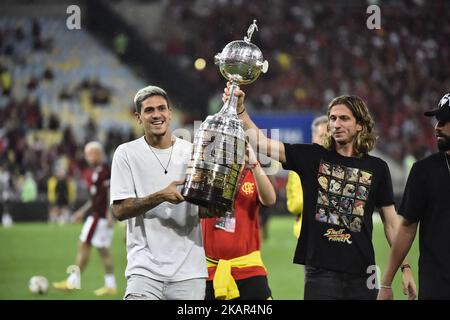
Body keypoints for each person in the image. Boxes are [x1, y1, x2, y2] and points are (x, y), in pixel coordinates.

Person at [223, 83, 416, 300]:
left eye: (344, 118)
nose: (336, 124)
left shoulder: (378, 168)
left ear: (360, 125)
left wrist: (405, 267)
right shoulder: (312, 157)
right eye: (332, 118)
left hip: (363, 272)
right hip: (321, 274)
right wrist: (240, 110)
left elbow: (391, 223)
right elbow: (261, 142)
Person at [110, 85, 221, 300]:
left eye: (162, 108)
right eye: (149, 110)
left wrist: (220, 200)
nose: (156, 114)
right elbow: (120, 211)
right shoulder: (126, 154)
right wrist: (161, 195)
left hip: (189, 274)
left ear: (170, 113)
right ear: (138, 117)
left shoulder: (192, 153)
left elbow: (205, 211)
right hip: (144, 272)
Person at [378, 93, 450, 300]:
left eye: (445, 121)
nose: (437, 127)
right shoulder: (423, 171)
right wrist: (386, 282)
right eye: (437, 120)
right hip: (437, 288)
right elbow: (408, 228)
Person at [203, 145, 276, 300]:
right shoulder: (207, 170)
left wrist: (255, 165)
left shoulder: (252, 173)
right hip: (209, 269)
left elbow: (270, 199)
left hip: (248, 268)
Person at [53, 141, 117, 296]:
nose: (88, 157)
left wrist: (110, 213)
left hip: (100, 218)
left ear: (98, 154)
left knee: (86, 246)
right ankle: (109, 285)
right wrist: (82, 211)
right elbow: (96, 198)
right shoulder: (96, 171)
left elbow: (111, 192)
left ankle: (73, 281)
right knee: (100, 250)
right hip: (97, 216)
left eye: (90, 153)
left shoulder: (104, 172)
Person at [286, 115, 328, 238]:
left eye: (330, 136)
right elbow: (294, 206)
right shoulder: (300, 165)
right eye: (322, 136)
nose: (326, 141)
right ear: (313, 138)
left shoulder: (342, 163)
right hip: (308, 233)